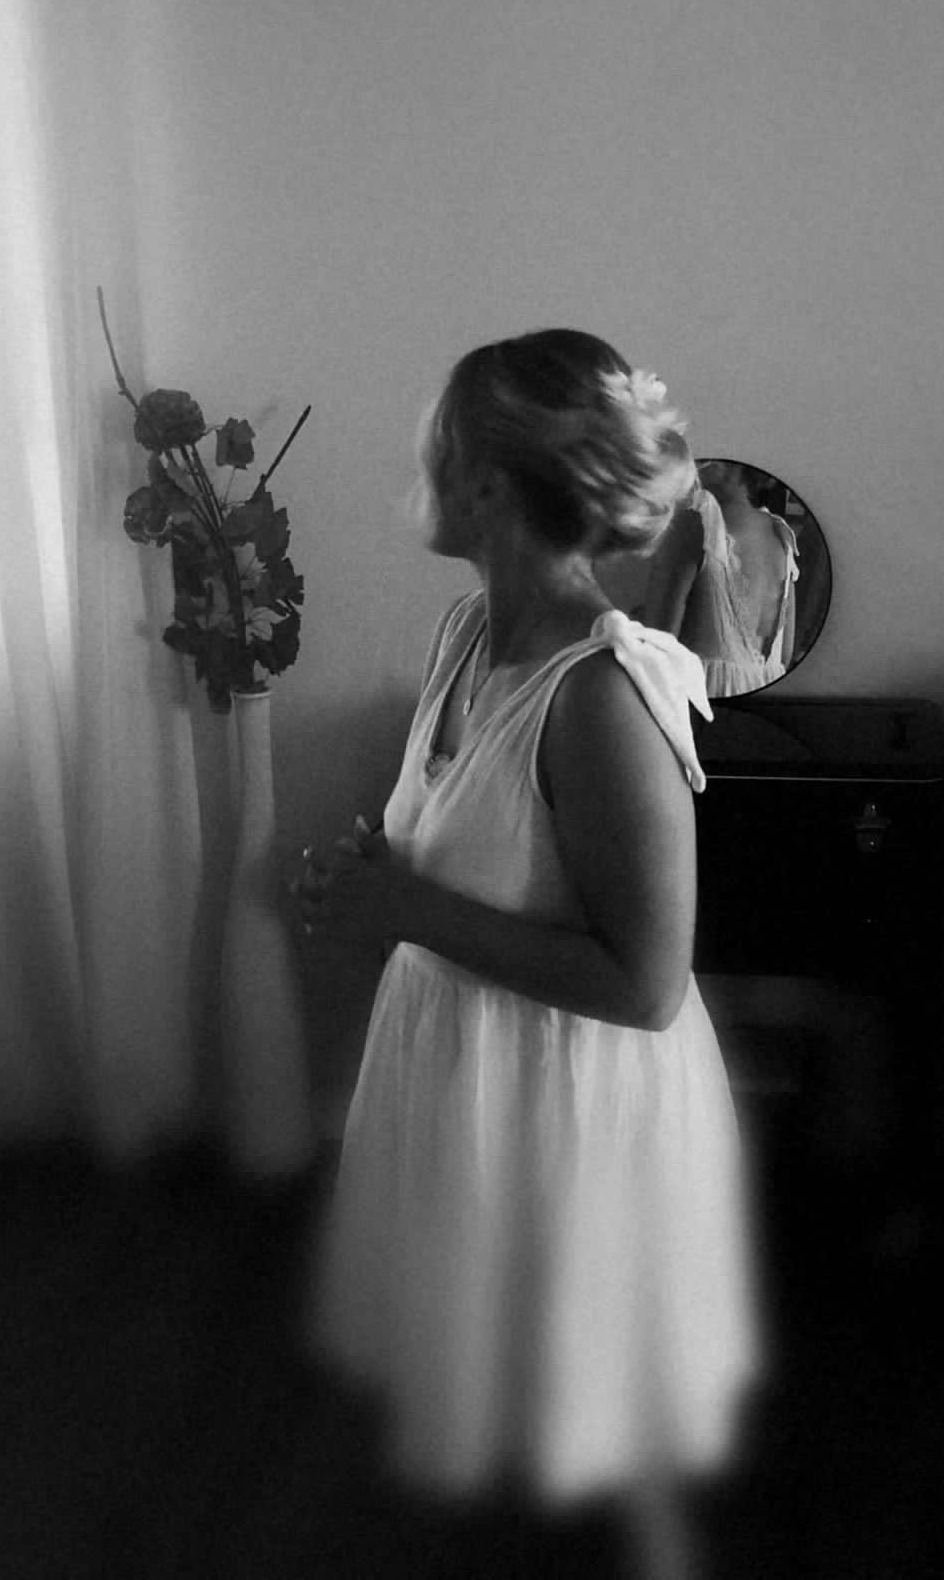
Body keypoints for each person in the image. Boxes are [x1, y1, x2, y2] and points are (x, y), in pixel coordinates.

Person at [294, 332, 763, 1580]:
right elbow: (470, 834)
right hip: (461, 1063)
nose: (421, 468)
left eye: (438, 447)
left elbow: (646, 986)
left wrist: (406, 908)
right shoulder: (464, 634)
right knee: (490, 1353)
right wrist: (381, 875)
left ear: (490, 483)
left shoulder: (602, 698)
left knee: (601, 1390)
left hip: (572, 1093)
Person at [643, 458, 799, 698]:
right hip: (767, 690)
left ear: (728, 466)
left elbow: (659, 644)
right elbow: (785, 654)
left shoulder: (695, 524)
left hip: (701, 694)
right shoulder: (781, 536)